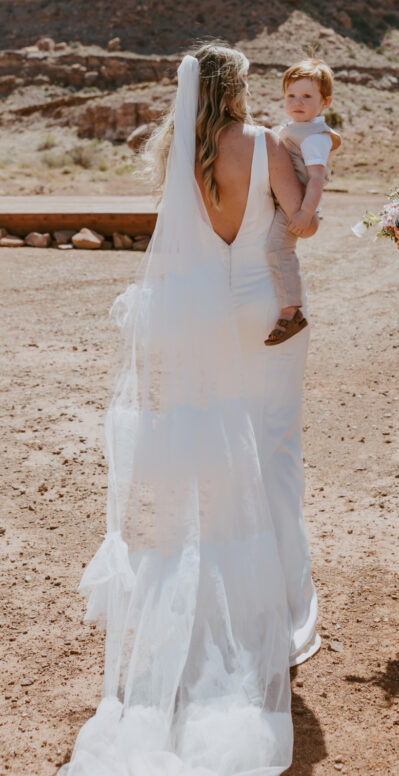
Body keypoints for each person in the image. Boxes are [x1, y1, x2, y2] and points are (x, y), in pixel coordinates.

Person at [59, 43, 320, 776]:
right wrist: (313, 196)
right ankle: (278, 612)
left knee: (216, 460)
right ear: (238, 89)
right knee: (273, 451)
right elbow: (297, 225)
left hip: (201, 315)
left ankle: (210, 597)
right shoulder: (265, 143)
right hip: (262, 309)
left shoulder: (179, 153)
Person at [265, 58, 341, 346]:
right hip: (286, 201)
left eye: (307, 96)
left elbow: (317, 179)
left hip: (295, 206)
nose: (297, 102)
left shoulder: (314, 138)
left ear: (325, 103)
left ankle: (291, 309)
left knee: (277, 249)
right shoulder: (295, 128)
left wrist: (305, 212)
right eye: (291, 96)